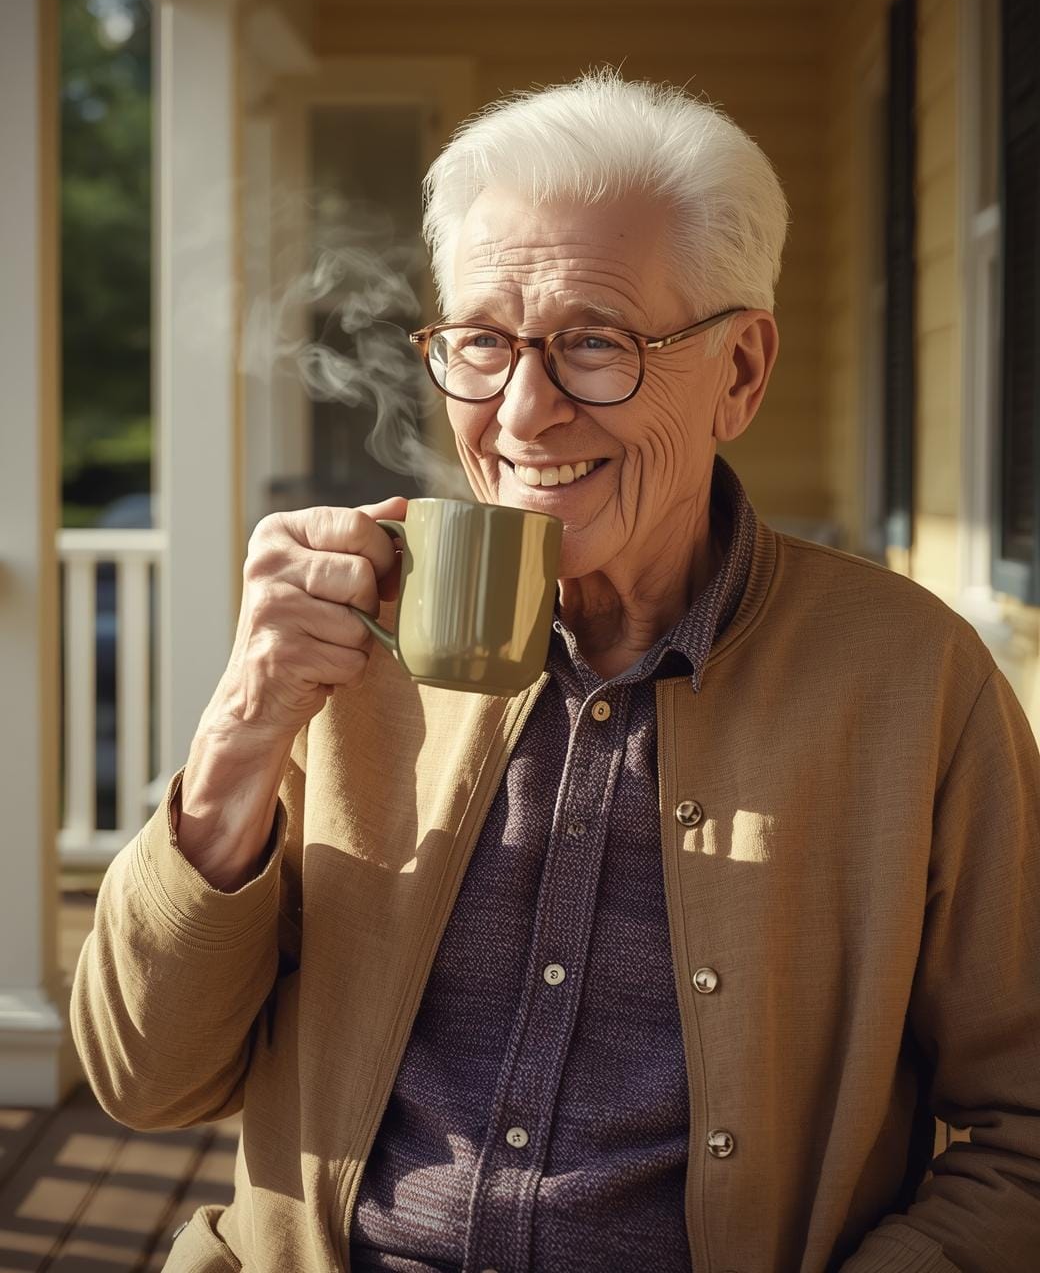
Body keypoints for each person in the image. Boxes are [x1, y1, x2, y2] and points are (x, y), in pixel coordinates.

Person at [71, 70, 1040, 1273]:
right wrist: (237, 734)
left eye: (594, 343)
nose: (522, 414)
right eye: (480, 341)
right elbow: (143, 1078)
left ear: (740, 371)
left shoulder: (913, 683)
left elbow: (1023, 1131)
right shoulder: (352, 648)